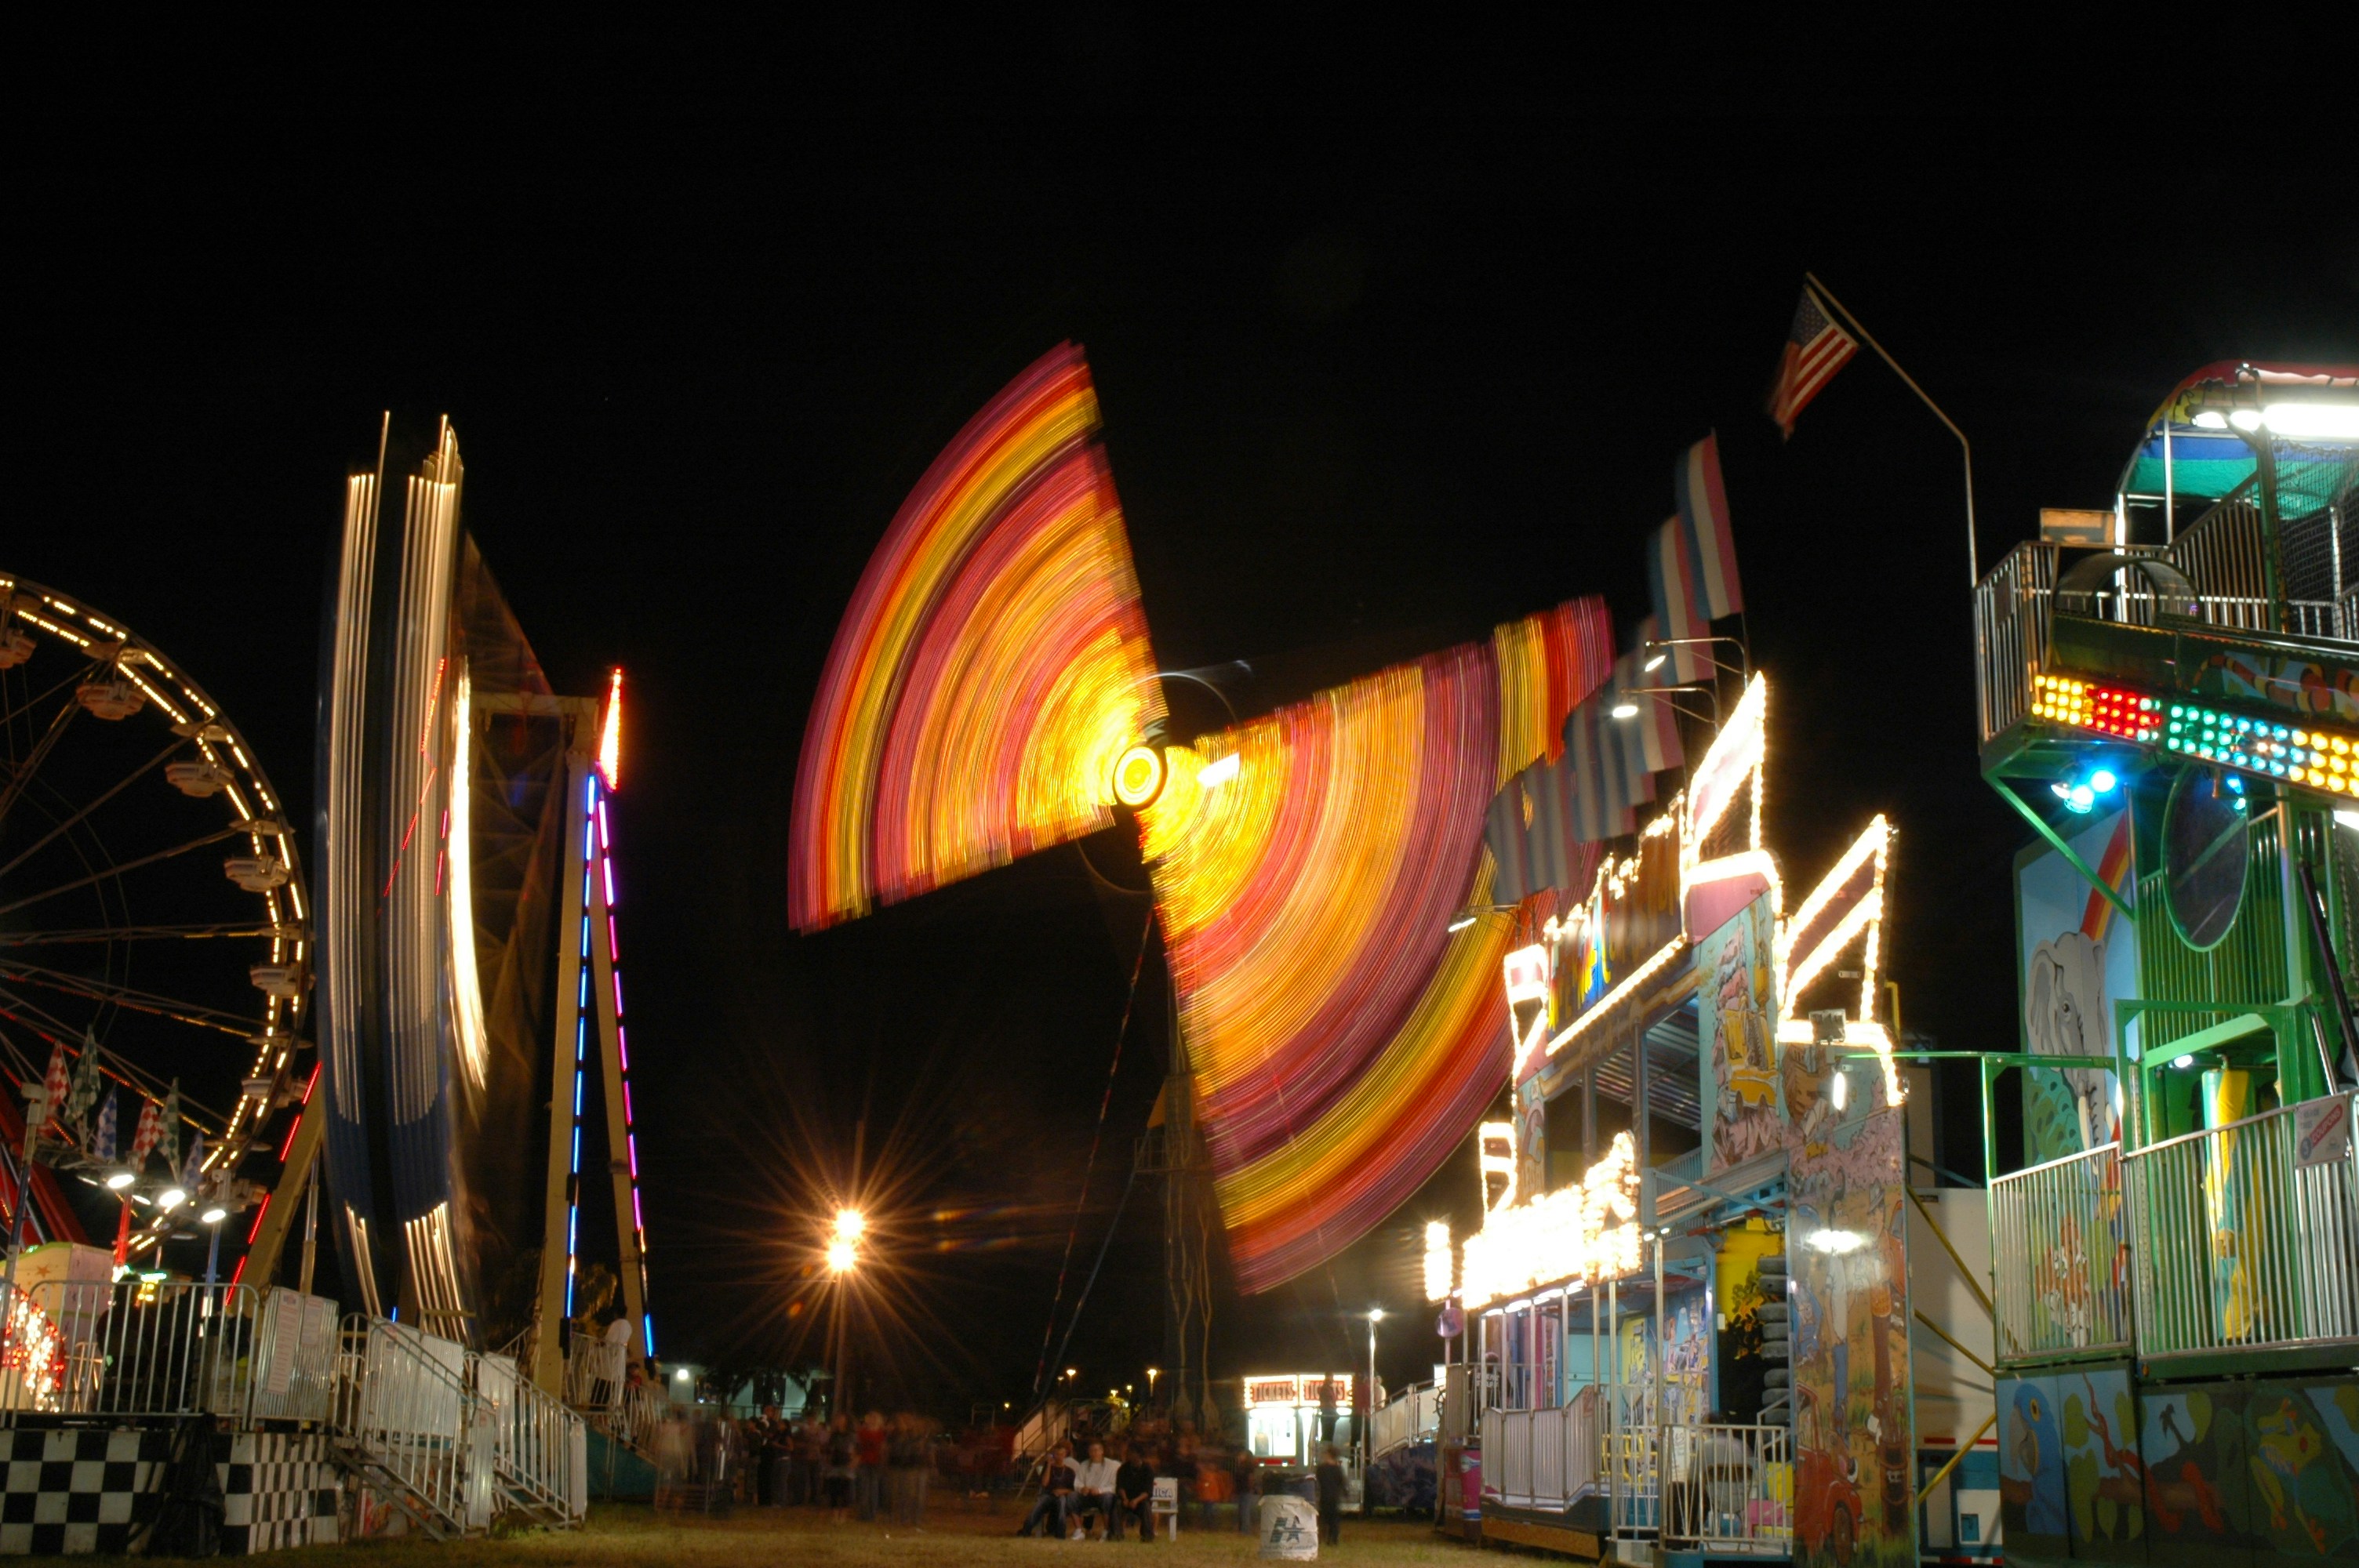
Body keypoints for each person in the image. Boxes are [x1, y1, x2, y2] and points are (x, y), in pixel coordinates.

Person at [1016, 1443, 1076, 1537]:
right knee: (1040, 1503)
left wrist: (1063, 1491)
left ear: (1065, 1455)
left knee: (1062, 1501)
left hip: (1062, 1496)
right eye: (1057, 1454)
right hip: (1049, 1495)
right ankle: (1026, 1530)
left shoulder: (1069, 1472)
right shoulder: (1048, 1468)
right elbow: (1044, 1483)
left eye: (1062, 1454)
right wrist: (1048, 1465)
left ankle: (1060, 1533)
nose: (1059, 1457)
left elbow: (1073, 1490)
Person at [1072, 1439, 1120, 1540]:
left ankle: (1106, 1530)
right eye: (1092, 1451)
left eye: (1096, 1450)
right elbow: (1078, 1482)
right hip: (1087, 1495)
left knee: (1107, 1498)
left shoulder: (1112, 1466)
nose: (1094, 1453)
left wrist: (1100, 1490)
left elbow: (1114, 1486)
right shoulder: (1084, 1465)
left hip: (1102, 1495)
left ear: (1102, 1451)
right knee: (1072, 1497)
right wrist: (1082, 1489)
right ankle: (1079, 1530)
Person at [1114, 1443, 1158, 1542]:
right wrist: (1125, 1499)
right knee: (1118, 1504)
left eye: (1131, 1453)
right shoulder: (1123, 1469)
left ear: (1139, 1455)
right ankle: (1116, 1534)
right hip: (1126, 1498)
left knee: (1146, 1507)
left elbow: (1148, 1491)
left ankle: (1147, 1536)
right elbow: (1120, 1486)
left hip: (1141, 1500)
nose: (1129, 1456)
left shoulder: (1148, 1470)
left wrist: (1136, 1501)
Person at [855, 1410, 887, 1521]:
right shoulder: (862, 1432)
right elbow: (858, 1446)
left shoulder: (881, 1433)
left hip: (875, 1462)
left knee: (873, 1489)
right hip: (864, 1461)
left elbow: (883, 1448)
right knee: (864, 1488)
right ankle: (864, 1513)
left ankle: (872, 1513)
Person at [823, 1414, 856, 1523]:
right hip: (835, 1464)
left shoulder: (851, 1436)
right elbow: (829, 1449)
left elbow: (857, 1450)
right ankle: (835, 1515)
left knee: (845, 1491)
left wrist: (853, 1463)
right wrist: (828, 1461)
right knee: (834, 1490)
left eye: (842, 1419)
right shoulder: (834, 1436)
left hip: (846, 1464)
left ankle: (843, 1516)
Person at [1315, 1444, 1345, 1547]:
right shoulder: (1338, 1469)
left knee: (1324, 1518)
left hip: (1325, 1496)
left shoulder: (1322, 1468)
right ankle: (1334, 1539)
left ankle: (1325, 1538)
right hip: (1335, 1497)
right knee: (1334, 1519)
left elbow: (1318, 1480)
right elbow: (1342, 1482)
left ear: (1328, 1455)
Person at [1232, 1447, 1259, 1535]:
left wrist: (1250, 1488)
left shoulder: (1248, 1467)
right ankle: (1242, 1528)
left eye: (1242, 1455)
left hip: (1245, 1490)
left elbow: (1250, 1478)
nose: (1240, 1456)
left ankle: (1245, 1530)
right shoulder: (1241, 1466)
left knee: (1245, 1510)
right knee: (1242, 1510)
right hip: (1241, 1490)